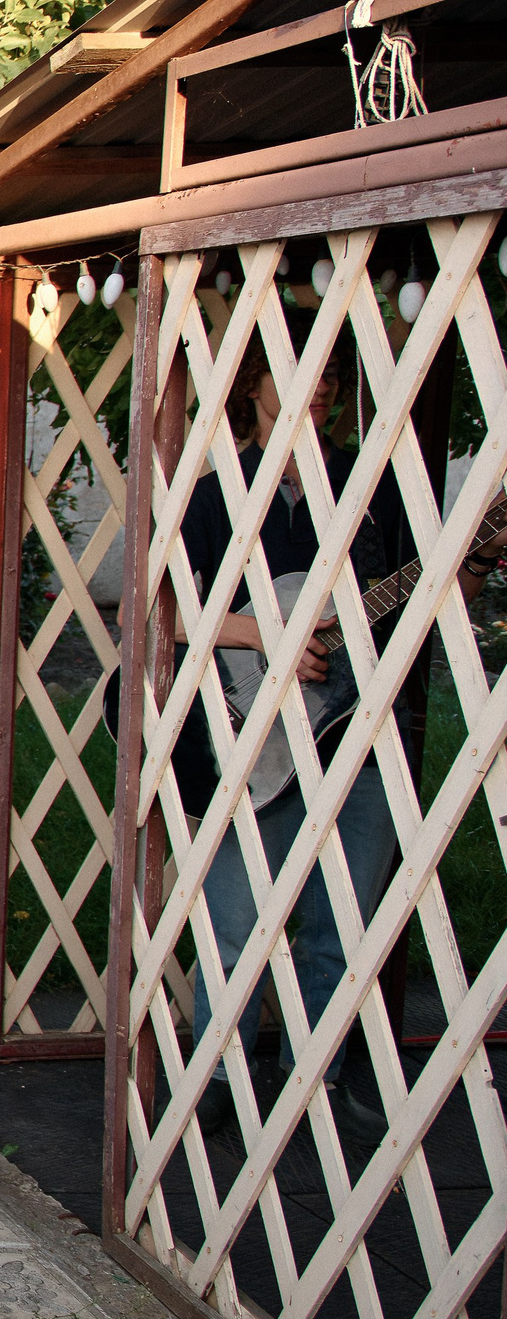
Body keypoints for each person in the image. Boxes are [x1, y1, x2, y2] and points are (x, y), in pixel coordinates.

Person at [180, 336, 495, 1144]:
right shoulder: (218, 497)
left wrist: (474, 563)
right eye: (298, 373)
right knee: (236, 912)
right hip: (255, 734)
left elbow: (424, 593)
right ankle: (219, 1072)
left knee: (342, 913)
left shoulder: (371, 488)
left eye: (326, 374)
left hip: (360, 729)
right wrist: (263, 635)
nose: (319, 387)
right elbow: (164, 614)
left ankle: (308, 1076)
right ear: (251, 389)